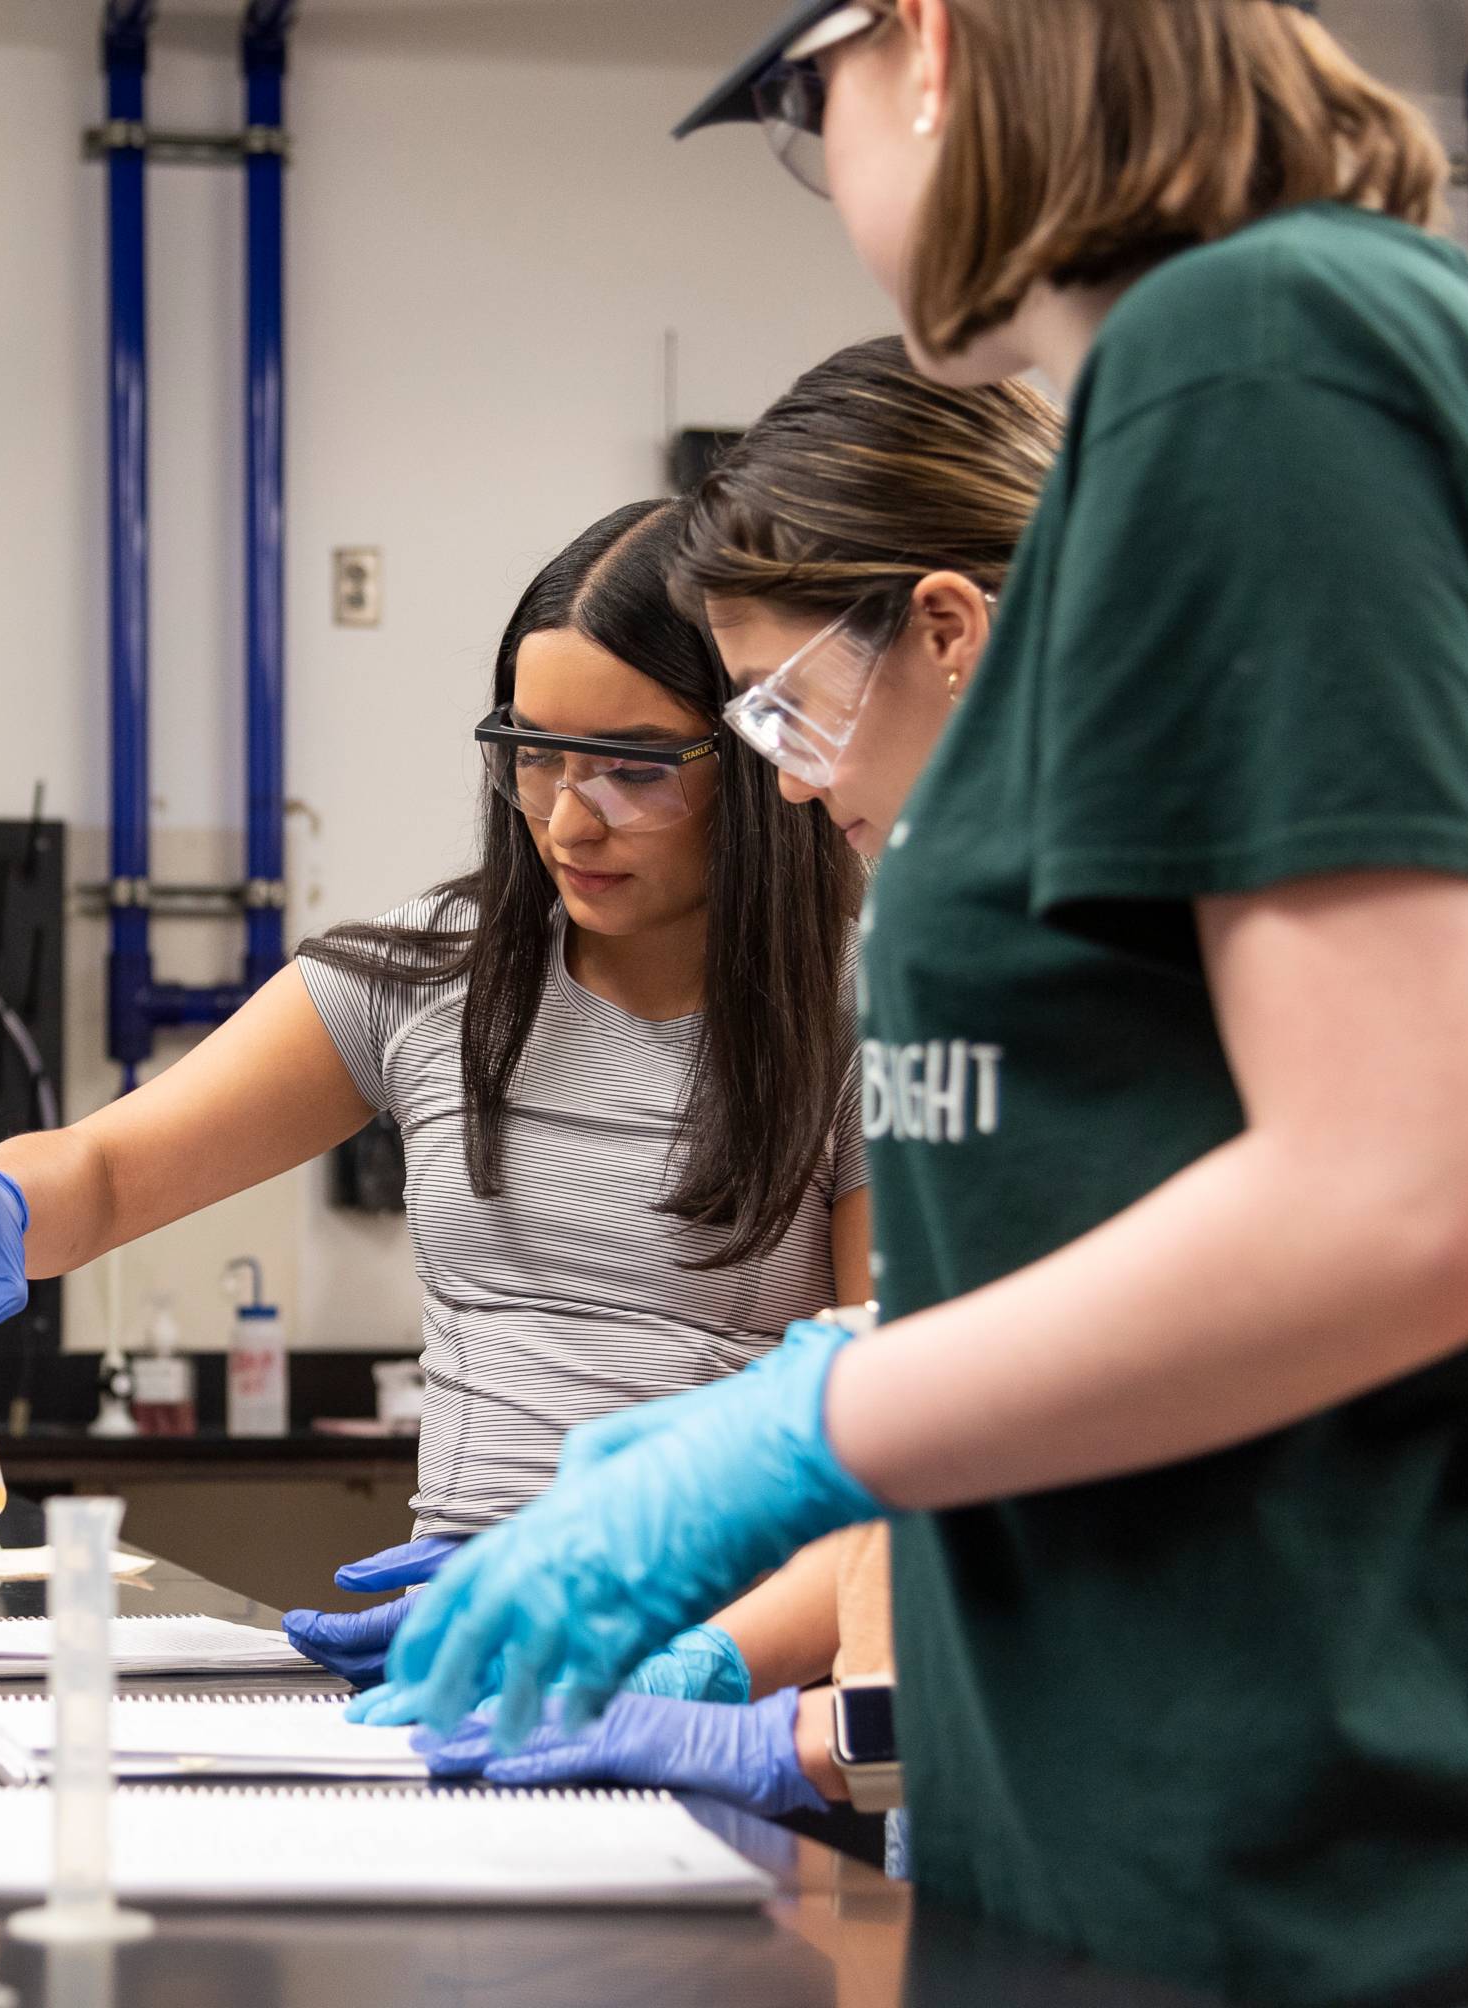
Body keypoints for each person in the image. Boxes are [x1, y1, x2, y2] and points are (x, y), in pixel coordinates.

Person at [374, 5, 1468, 2001]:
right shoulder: (1309, 356)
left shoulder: (1258, 357)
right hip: (1198, 1818)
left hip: (1315, 1863)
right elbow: (1158, 1160)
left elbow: (1414, 1196)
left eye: (814, 113)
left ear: (936, 50)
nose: (837, 183)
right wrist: (750, 1591)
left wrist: (801, 1424)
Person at [0, 500, 868, 1700]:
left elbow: (892, 1437)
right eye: (533, 752)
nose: (564, 816)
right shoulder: (431, 976)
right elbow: (111, 1171)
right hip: (455, 1646)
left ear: (755, 760)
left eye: (633, 767)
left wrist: (691, 1664)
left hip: (732, 1670)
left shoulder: (862, 1015)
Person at [416, 339, 1059, 1851]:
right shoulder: (961, 921)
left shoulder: (1139, 924)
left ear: (949, 631)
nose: (777, 777)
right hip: (984, 1787)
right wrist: (801, 1711)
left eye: (779, 709)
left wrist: (792, 1712)